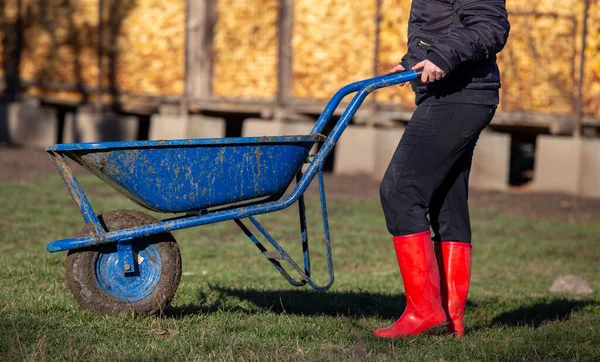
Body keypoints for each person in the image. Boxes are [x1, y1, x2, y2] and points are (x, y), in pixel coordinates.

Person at [374, 0, 510, 338]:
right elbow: (439, 24)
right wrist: (411, 63)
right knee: (446, 202)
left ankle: (424, 312)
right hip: (457, 92)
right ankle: (451, 318)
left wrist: (443, 57)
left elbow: (490, 26)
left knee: (400, 191)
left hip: (459, 95)